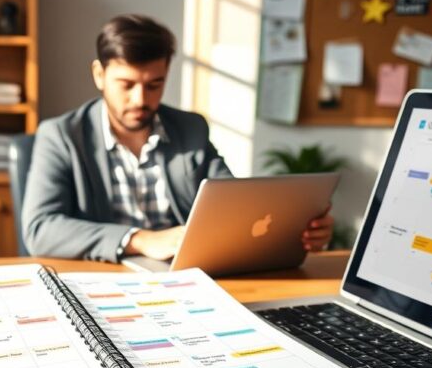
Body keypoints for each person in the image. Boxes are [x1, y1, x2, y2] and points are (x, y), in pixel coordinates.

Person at [21, 14, 333, 262]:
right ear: (99, 75)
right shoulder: (61, 136)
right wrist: (140, 240)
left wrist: (297, 229)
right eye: (126, 85)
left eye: (154, 85)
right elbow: (40, 229)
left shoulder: (190, 129)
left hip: (181, 276)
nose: (140, 99)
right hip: (103, 277)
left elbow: (232, 205)